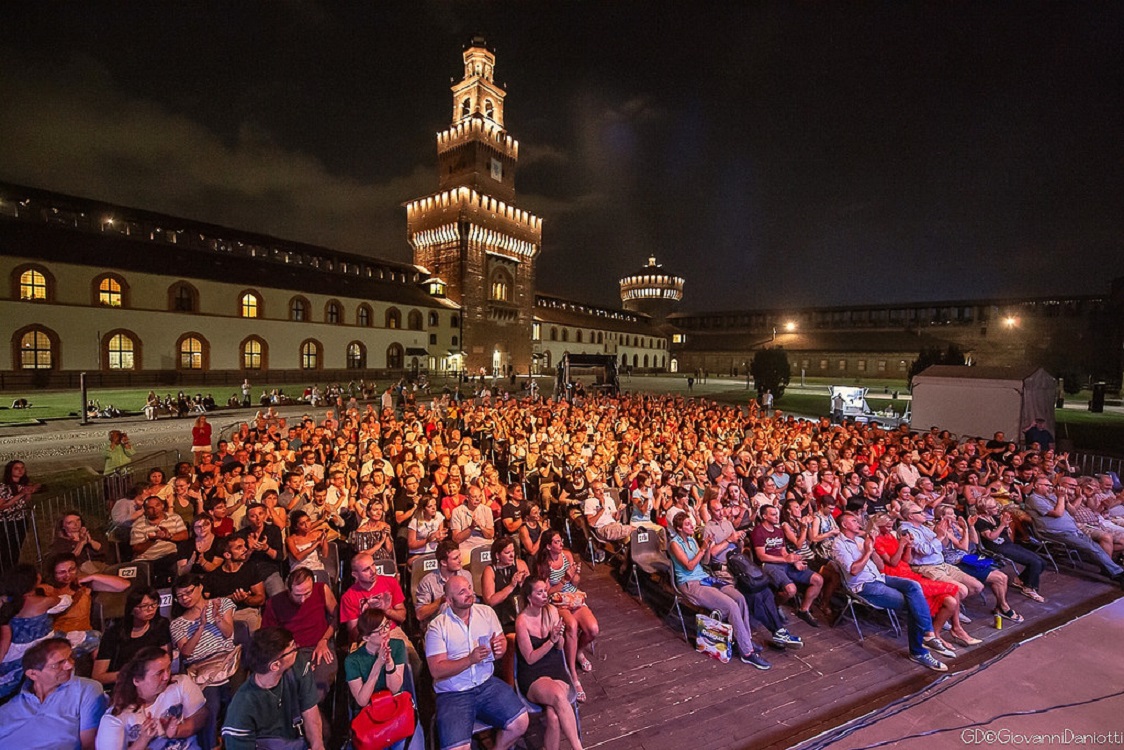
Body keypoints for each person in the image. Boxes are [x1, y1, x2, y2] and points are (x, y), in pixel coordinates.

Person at [833, 512, 948, 671]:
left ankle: (928, 634)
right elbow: (853, 570)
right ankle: (919, 652)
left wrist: (872, 550)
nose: (858, 522)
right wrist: (867, 552)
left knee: (914, 586)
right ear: (844, 525)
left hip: (880, 578)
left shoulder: (860, 540)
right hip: (865, 586)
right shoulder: (839, 545)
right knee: (913, 604)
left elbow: (880, 567)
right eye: (853, 520)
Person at [425, 576, 529, 750]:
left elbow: (501, 641)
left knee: (520, 722)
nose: (469, 593)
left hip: (486, 684)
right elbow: (436, 670)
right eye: (462, 592)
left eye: (469, 588)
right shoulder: (437, 627)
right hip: (454, 693)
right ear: (449, 601)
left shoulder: (486, 613)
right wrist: (470, 660)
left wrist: (500, 648)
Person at [667, 513, 773, 669]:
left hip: (704, 577)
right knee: (731, 606)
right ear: (679, 528)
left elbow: (705, 562)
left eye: (691, 523)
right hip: (691, 583)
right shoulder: (674, 544)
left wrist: (707, 548)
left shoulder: (691, 540)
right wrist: (702, 549)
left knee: (739, 598)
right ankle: (747, 653)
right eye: (688, 524)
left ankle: (745, 639)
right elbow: (689, 566)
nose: (692, 526)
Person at [221, 627, 326, 750]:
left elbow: (310, 710)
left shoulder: (297, 665)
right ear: (275, 665)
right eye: (292, 648)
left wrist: (318, 746)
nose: (297, 649)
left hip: (296, 741)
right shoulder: (241, 709)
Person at [0, 638, 108, 750]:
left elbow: (90, 745)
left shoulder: (85, 689)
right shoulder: (9, 709)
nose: (69, 666)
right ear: (33, 674)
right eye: (57, 664)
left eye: (70, 658)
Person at [515, 578, 585, 750]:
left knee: (553, 716)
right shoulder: (521, 621)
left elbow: (560, 646)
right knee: (559, 697)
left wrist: (558, 636)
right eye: (539, 592)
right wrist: (550, 641)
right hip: (533, 674)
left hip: (556, 669)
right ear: (530, 598)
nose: (545, 595)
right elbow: (530, 658)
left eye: (545, 590)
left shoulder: (552, 611)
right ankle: (578, 748)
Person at [170, 575, 238, 750]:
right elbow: (186, 652)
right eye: (180, 596)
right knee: (211, 707)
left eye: (188, 592)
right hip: (201, 668)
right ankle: (210, 745)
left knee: (236, 701)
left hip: (227, 662)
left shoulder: (222, 604)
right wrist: (200, 627)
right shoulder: (177, 623)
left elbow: (228, 632)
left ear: (200, 587)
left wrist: (216, 618)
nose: (185, 598)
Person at [95, 646, 208, 750]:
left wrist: (178, 731)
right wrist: (143, 740)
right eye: (159, 673)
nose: (166, 676)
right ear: (137, 680)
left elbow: (201, 716)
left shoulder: (181, 684)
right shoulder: (115, 718)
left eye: (168, 668)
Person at [535, 529, 600, 699]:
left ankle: (578, 651)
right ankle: (572, 672)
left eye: (561, 540)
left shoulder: (567, 555)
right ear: (548, 546)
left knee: (593, 629)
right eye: (557, 542)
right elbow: (547, 592)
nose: (561, 544)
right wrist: (564, 579)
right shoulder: (543, 564)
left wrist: (575, 574)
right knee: (571, 625)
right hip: (557, 600)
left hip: (573, 596)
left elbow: (576, 582)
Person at [1026, 477, 1124, 585]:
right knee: (1092, 548)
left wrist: (1068, 499)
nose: (1050, 488)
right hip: (1055, 533)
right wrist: (1061, 497)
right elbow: (1057, 513)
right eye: (1047, 486)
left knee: (1096, 547)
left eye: (1050, 485)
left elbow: (1072, 512)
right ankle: (1118, 575)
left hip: (1073, 530)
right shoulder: (1034, 499)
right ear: (1036, 486)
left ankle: (1111, 570)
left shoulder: (1052, 497)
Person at [344, 608, 417, 750]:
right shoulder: (353, 660)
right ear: (366, 638)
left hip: (395, 707)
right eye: (380, 630)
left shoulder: (397, 646)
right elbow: (362, 700)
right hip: (369, 713)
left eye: (386, 626)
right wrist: (377, 665)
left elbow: (395, 689)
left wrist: (389, 662)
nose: (386, 632)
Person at [261, 568, 338, 702]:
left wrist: (324, 639)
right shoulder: (275, 603)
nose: (303, 600)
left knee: (320, 680)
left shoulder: (321, 590)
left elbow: (337, 617)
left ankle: (305, 713)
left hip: (319, 645)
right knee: (286, 683)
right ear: (289, 589)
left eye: (307, 593)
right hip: (290, 650)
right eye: (297, 595)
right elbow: (268, 634)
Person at [751, 505, 823, 627]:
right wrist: (785, 559)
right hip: (769, 565)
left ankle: (803, 610)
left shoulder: (778, 531)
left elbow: (783, 551)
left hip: (784, 563)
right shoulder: (758, 531)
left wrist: (794, 560)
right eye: (773, 514)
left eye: (777, 513)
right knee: (791, 590)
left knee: (818, 580)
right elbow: (761, 556)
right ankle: (774, 606)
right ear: (764, 516)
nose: (776, 516)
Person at [92, 586, 173, 688]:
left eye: (154, 604)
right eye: (144, 606)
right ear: (132, 609)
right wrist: (130, 674)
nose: (150, 609)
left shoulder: (161, 625)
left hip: (154, 683)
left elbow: (166, 659)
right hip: (124, 684)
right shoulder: (114, 633)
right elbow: (98, 676)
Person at [974, 496, 1046, 602]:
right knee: (1035, 562)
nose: (997, 508)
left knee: (1042, 562)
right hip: (997, 548)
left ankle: (1020, 580)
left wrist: (1006, 525)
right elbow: (991, 537)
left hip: (1007, 544)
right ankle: (1028, 588)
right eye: (994, 507)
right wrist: (1002, 525)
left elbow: (1003, 529)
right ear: (985, 510)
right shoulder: (979, 521)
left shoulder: (994, 517)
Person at [204, 535, 267, 635]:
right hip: (221, 615)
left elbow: (261, 599)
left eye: (244, 546)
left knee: (253, 625)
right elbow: (204, 603)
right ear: (227, 555)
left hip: (245, 612)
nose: (245, 549)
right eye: (239, 547)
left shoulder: (251, 569)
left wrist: (246, 598)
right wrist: (229, 599)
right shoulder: (213, 576)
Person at [414, 539, 475, 627]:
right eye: (455, 558)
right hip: (439, 625)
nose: (460, 560)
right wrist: (440, 601)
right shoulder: (428, 582)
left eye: (459, 556)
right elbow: (420, 615)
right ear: (443, 562)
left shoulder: (466, 575)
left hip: (464, 622)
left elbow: (473, 601)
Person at [1, 459, 40, 569]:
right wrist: (21, 494)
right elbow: (3, 506)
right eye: (16, 468)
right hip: (6, 522)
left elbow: (26, 501)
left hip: (20, 520)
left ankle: (12, 569)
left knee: (16, 548)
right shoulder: (3, 487)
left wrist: (29, 491)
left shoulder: (22, 485)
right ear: (10, 470)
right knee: (5, 550)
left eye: (22, 468)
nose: (20, 470)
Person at [286, 510, 331, 584]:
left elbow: (325, 554)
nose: (307, 525)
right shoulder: (291, 540)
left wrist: (324, 539)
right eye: (302, 524)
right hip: (299, 571)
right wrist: (314, 546)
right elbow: (298, 557)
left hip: (316, 568)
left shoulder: (316, 534)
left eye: (308, 521)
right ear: (296, 527)